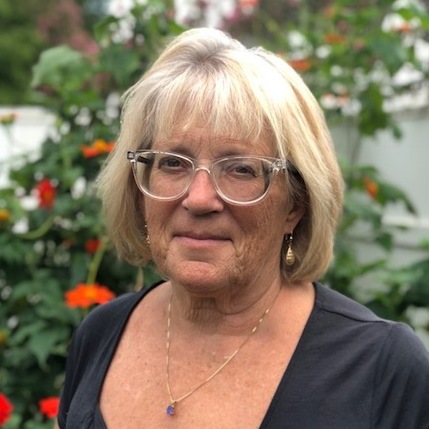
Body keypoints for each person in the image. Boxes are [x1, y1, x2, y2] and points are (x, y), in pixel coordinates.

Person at [57, 28, 429, 429]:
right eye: (173, 163)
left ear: (296, 204)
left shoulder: (381, 369)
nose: (199, 199)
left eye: (240, 169)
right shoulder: (101, 334)